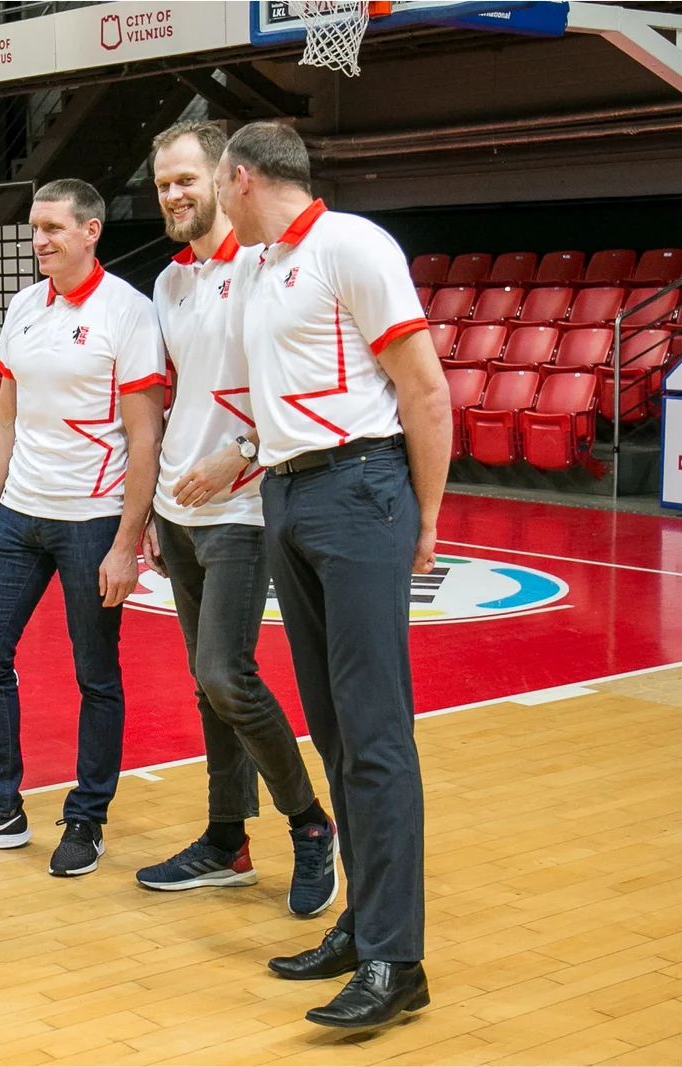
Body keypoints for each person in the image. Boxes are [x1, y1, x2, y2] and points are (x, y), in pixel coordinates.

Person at [215, 121, 449, 1029]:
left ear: (242, 178)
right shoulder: (262, 266)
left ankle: (398, 958)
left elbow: (424, 389)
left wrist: (427, 517)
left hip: (360, 489)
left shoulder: (351, 244)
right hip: (290, 492)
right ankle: (362, 921)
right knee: (336, 732)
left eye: (214, 182)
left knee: (376, 731)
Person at [0, 179, 165, 877]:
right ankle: (0, 807)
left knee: (96, 674)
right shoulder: (25, 305)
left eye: (53, 228)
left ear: (91, 231)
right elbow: (3, 420)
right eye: (34, 228)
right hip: (21, 514)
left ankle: (87, 817)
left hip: (93, 517)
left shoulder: (129, 312)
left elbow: (145, 438)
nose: (39, 240)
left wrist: (126, 541)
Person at [132, 121, 337, 917]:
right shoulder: (169, 283)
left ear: (224, 178)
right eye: (162, 184)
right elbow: (179, 398)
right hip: (179, 511)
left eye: (187, 179)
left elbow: (292, 390)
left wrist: (242, 453)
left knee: (226, 672)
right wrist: (154, 506)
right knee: (205, 683)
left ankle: (310, 823)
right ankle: (227, 839)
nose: (173, 195)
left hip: (245, 507)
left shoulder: (264, 267)